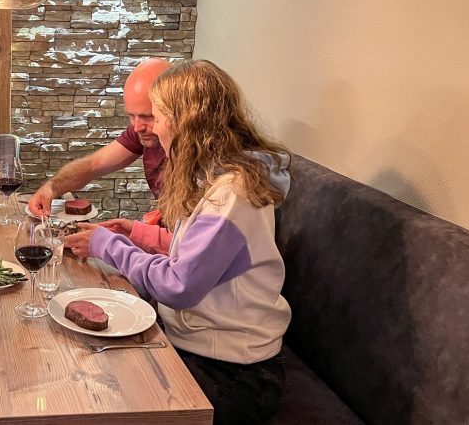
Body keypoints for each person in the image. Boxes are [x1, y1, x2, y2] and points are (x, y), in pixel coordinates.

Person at [64, 59, 292, 425]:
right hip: (200, 347)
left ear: (187, 121)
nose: (149, 129)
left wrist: (108, 246)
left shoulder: (233, 191)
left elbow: (180, 285)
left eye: (156, 116)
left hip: (235, 373)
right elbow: (206, 254)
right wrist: (140, 234)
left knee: (99, 397)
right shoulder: (216, 177)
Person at [27, 57, 172, 223]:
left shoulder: (200, 153)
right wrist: (51, 188)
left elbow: (192, 239)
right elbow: (93, 165)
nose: (137, 127)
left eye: (148, 116)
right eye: (131, 115)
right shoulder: (142, 131)